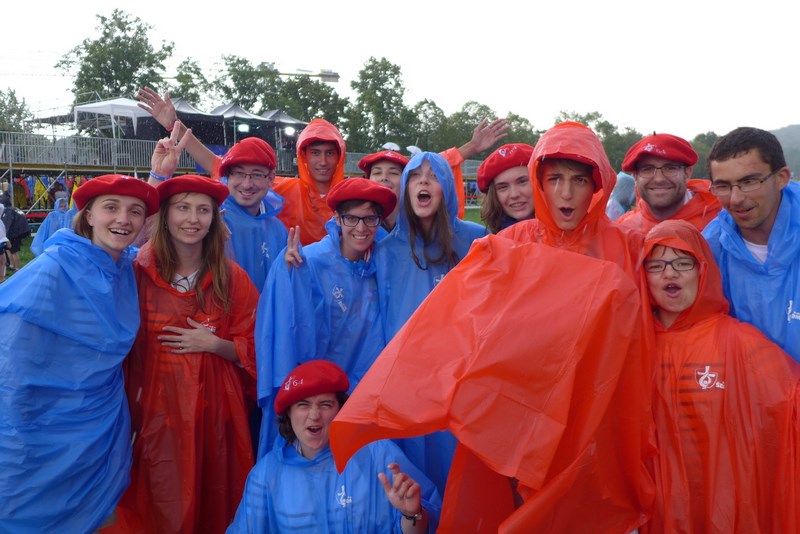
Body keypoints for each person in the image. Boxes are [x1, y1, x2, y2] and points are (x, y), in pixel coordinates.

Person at [330, 122, 655, 531]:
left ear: (598, 185)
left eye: (579, 180)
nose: (567, 193)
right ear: (542, 182)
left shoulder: (630, 246)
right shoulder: (511, 244)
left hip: (598, 419)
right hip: (524, 420)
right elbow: (457, 322)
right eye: (555, 179)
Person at [0, 175, 158, 531]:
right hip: (44, 428)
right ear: (88, 215)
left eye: (134, 212)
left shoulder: (124, 266)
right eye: (111, 208)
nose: (123, 219)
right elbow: (10, 354)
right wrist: (21, 427)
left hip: (100, 427)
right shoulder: (54, 267)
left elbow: (160, 243)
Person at [113, 175, 259, 533]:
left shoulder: (232, 278)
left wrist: (216, 345)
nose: (193, 219)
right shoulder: (137, 274)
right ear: (164, 216)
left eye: (203, 210)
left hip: (217, 413)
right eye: (183, 208)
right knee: (159, 497)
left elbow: (259, 346)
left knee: (215, 496)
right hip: (156, 413)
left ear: (214, 219)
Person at [641, 219, 800, 532]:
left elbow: (789, 404)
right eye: (656, 264)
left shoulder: (740, 343)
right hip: (655, 512)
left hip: (725, 509)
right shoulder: (631, 345)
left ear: (703, 270)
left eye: (682, 263)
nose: (669, 273)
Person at [255, 178, 396, 457]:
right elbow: (288, 325)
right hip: (317, 393)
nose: (361, 228)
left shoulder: (384, 262)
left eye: (370, 219)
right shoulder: (310, 259)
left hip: (363, 387)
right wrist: (289, 274)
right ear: (338, 219)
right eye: (352, 218)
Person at [228, 360, 441, 533]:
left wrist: (412, 514)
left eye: (325, 404)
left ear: (340, 410)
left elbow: (423, 527)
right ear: (289, 414)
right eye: (303, 405)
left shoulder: (377, 454)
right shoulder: (266, 475)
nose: (314, 415)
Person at [147, 122, 288, 292]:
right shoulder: (208, 216)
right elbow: (150, 238)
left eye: (257, 174)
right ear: (227, 176)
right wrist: (158, 175)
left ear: (271, 178)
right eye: (238, 173)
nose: (247, 184)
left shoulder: (278, 229)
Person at [702, 127, 800, 361]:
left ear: (781, 178)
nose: (735, 199)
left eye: (749, 181)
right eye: (723, 186)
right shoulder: (711, 248)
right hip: (752, 392)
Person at [358, 119, 510, 231]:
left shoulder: (423, 222)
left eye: (393, 172)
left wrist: (472, 147)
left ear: (407, 181)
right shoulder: (354, 224)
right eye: (377, 172)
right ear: (367, 179)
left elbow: (434, 164)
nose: (384, 177)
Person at [618, 133, 721, 233]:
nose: (659, 179)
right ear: (635, 176)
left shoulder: (721, 223)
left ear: (687, 173)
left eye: (670, 168)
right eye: (647, 169)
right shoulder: (623, 230)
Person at [476, 143, 535, 232]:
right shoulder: (489, 244)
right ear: (493, 196)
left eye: (522, 182)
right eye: (503, 187)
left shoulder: (563, 235)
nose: (514, 194)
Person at [0, 195, 30, 272]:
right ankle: (12, 265)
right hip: (15, 233)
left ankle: (17, 268)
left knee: (13, 251)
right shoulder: (14, 209)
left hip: (13, 234)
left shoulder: (8, 211)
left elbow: (7, 224)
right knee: (8, 250)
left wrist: (5, 235)